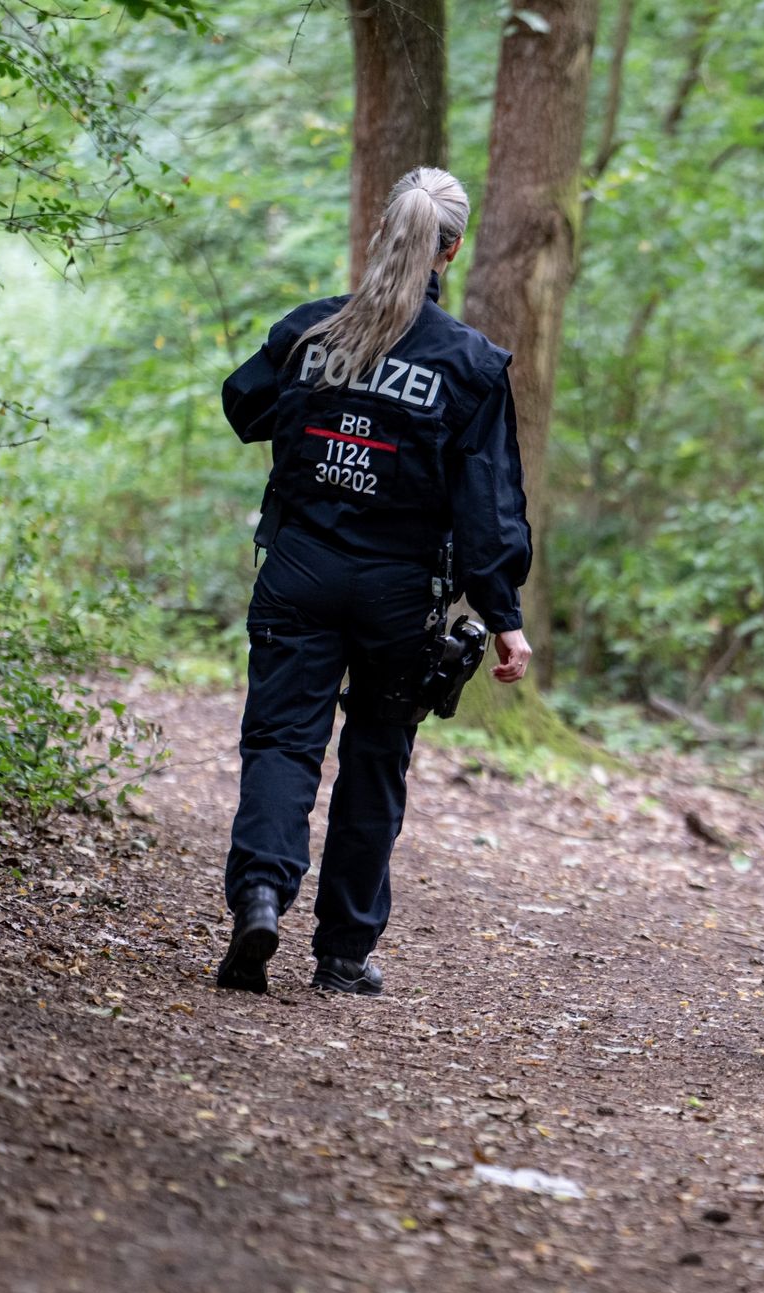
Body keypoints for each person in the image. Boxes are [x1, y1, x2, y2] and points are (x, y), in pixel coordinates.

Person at [213, 167, 533, 997]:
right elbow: (488, 504)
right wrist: (505, 616)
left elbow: (244, 405)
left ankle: (259, 895)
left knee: (282, 742)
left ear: (380, 233)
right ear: (450, 251)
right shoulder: (469, 364)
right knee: (375, 761)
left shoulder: (309, 332)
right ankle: (344, 952)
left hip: (298, 571)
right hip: (399, 596)